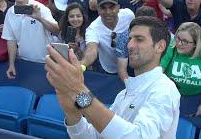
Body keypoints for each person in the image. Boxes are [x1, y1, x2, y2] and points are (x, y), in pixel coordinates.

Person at [45, 16, 180, 138]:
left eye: (139, 39)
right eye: (130, 39)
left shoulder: (165, 89)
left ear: (160, 46)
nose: (130, 45)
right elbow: (91, 136)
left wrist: (78, 91)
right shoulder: (123, 95)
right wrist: (72, 112)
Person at [1, 0, 59, 79]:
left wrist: (40, 18)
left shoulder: (40, 8)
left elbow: (57, 31)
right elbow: (11, 40)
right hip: (24, 62)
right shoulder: (10, 12)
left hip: (45, 62)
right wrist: (11, 64)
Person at [161, 22, 201, 116]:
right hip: (170, 98)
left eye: (185, 41)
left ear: (196, 43)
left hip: (198, 99)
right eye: (177, 38)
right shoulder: (171, 47)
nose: (179, 43)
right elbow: (158, 71)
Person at [80, 0, 134, 75]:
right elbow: (91, 50)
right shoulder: (93, 29)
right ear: (98, 9)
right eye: (103, 8)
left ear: (118, 7)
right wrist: (81, 66)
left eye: (111, 7)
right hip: (108, 69)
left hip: (131, 64)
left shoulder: (129, 15)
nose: (108, 12)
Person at [115, 6, 157, 81]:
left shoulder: (162, 37)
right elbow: (122, 70)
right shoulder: (123, 38)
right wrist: (132, 88)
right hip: (132, 75)